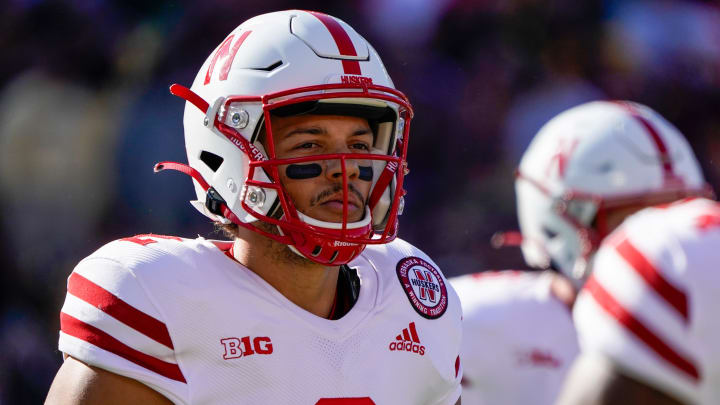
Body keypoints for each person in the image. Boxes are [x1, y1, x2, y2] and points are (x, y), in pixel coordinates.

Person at [45, 10, 462, 405]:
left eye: (359, 146)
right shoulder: (161, 298)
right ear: (228, 156)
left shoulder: (412, 299)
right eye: (310, 145)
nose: (346, 170)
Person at [452, 100, 714, 405]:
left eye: (677, 215)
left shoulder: (700, 307)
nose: (657, 240)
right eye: (634, 219)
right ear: (556, 221)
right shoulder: (465, 322)